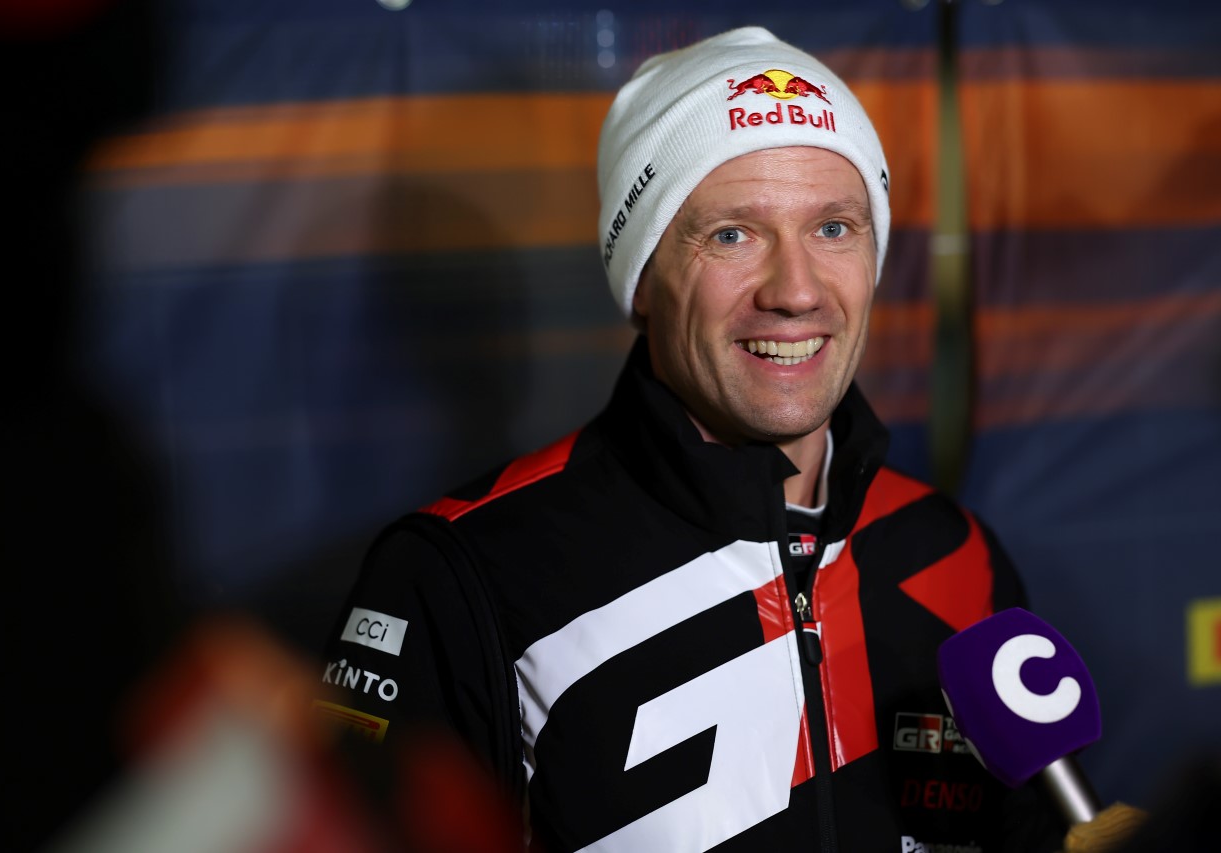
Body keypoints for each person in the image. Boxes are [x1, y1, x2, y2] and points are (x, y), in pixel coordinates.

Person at [320, 27, 1063, 852]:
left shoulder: (956, 554)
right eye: (733, 234)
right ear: (642, 278)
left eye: (833, 228)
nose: (796, 291)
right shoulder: (461, 574)